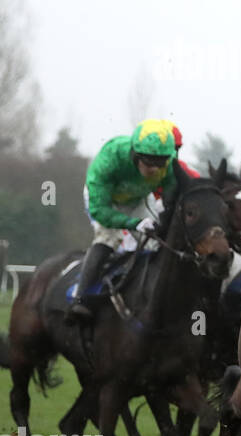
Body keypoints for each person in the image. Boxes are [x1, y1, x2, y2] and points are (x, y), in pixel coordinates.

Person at [69, 119, 179, 320]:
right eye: (148, 162)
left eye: (160, 163)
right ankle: (80, 298)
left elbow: (171, 186)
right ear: (135, 154)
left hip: (137, 199)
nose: (154, 170)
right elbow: (100, 210)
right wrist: (133, 223)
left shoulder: (168, 162)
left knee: (156, 244)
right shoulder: (110, 159)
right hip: (104, 201)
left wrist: (167, 209)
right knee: (109, 239)